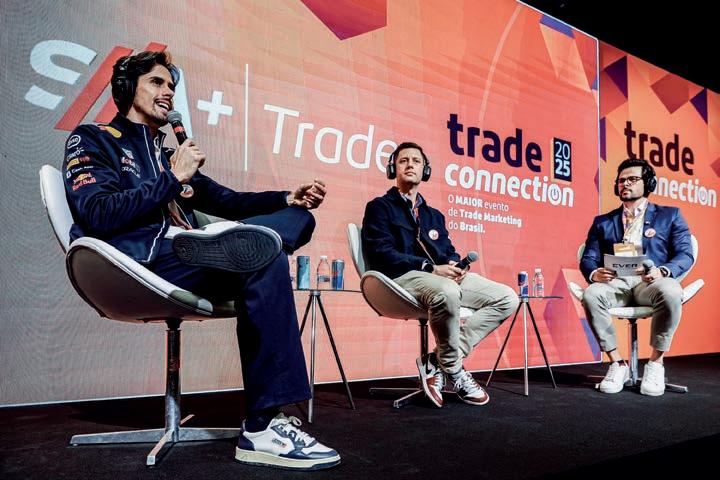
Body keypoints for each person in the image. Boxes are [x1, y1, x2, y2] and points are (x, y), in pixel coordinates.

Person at [62, 51, 339, 470]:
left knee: (290, 226)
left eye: (171, 86)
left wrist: (288, 198)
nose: (167, 92)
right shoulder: (93, 138)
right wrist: (172, 178)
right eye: (157, 82)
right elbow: (97, 213)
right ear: (126, 88)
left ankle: (238, 245)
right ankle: (263, 427)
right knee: (262, 255)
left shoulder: (165, 154)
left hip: (190, 255)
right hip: (139, 260)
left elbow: (230, 201)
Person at [361, 142, 519, 408]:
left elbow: (446, 250)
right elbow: (381, 252)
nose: (410, 165)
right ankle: (454, 369)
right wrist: (430, 267)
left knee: (507, 298)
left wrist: (455, 264)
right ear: (393, 168)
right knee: (448, 291)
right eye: (403, 161)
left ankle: (437, 360)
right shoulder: (379, 207)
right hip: (401, 278)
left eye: (416, 161)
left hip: (440, 278)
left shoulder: (434, 215)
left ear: (425, 170)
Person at [580, 158, 693, 396]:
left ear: (648, 183)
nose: (625, 184)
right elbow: (588, 258)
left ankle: (656, 363)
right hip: (616, 283)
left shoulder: (670, 215)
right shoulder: (602, 222)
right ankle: (617, 363)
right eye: (621, 180)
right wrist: (594, 272)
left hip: (649, 282)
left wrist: (662, 271)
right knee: (591, 294)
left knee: (671, 290)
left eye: (632, 179)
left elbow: (685, 254)